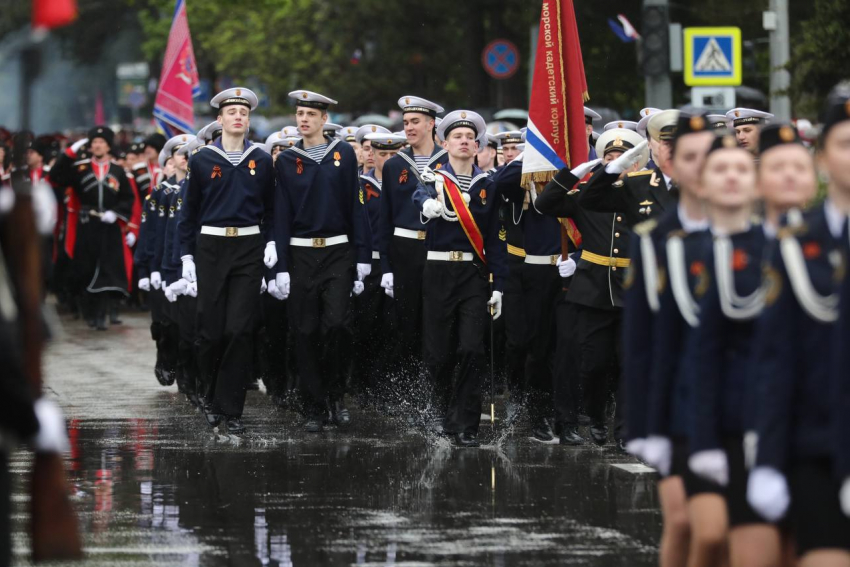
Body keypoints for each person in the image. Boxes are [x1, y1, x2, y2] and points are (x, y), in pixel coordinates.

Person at [689, 124, 816, 567]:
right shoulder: (732, 252)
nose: (788, 179)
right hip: (745, 425)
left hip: (820, 429)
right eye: (777, 168)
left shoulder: (831, 245)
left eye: (799, 168)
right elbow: (705, 353)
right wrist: (703, 440)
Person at [749, 95, 850, 565]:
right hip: (819, 442)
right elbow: (776, 358)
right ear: (824, 159)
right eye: (845, 144)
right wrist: (768, 459)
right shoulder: (793, 247)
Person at [621, 112, 715, 567]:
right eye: (685, 156)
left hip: (744, 400)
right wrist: (644, 426)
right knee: (686, 524)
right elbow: (641, 344)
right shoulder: (656, 238)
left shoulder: (759, 236)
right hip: (682, 398)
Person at [536, 127, 648, 447]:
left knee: (629, 363)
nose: (616, 163)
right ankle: (596, 415)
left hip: (633, 289)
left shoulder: (646, 196)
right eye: (609, 158)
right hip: (594, 289)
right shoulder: (586, 195)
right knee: (595, 363)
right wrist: (572, 175)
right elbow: (545, 204)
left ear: (637, 163)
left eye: (623, 159)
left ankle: (625, 431)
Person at [272, 89, 371, 433]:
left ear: (324, 119)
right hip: (301, 253)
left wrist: (362, 255)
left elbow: (355, 206)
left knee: (338, 325)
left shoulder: (343, 153)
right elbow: (281, 214)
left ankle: (335, 396)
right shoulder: (286, 160)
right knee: (305, 330)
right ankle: (313, 404)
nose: (303, 119)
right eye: (299, 114)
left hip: (337, 251)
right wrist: (281, 265)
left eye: (311, 114)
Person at [178, 87, 276, 434]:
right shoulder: (203, 159)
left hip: (248, 248)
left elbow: (271, 208)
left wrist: (271, 243)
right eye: (231, 112)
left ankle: (231, 409)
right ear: (219, 120)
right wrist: (186, 255)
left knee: (240, 329)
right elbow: (188, 212)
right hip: (211, 249)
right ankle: (207, 393)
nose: (238, 117)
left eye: (243, 112)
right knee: (211, 331)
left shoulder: (262, 159)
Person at [412, 110, 507, 447]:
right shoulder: (431, 177)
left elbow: (495, 237)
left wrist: (499, 286)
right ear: (444, 143)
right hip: (438, 271)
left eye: (470, 137)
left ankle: (466, 423)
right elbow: (418, 199)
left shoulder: (488, 184)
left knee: (471, 347)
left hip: (473, 274)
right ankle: (438, 413)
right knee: (438, 351)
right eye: (457, 137)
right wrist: (426, 206)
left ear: (477, 144)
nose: (464, 141)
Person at [378, 96, 447, 406]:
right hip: (405, 248)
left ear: (431, 124)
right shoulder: (394, 165)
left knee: (437, 323)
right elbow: (385, 218)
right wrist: (386, 266)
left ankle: (436, 390)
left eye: (415, 122)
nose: (409, 128)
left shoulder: (448, 162)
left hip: (439, 249)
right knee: (407, 323)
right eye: (405, 122)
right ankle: (407, 391)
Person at [49, 126, 135, 331]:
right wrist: (69, 154)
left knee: (107, 269)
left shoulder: (117, 170)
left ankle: (101, 314)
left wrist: (116, 213)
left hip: (109, 225)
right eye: (94, 142)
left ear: (108, 146)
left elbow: (127, 198)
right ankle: (90, 312)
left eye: (101, 142)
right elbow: (56, 176)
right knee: (86, 270)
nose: (97, 145)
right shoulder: (80, 168)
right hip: (87, 225)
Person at [350, 132, 407, 403]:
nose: (386, 160)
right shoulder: (361, 185)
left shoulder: (409, 182)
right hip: (370, 263)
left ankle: (386, 385)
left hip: (399, 262)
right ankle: (361, 383)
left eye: (393, 155)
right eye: (382, 154)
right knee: (365, 324)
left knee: (394, 327)